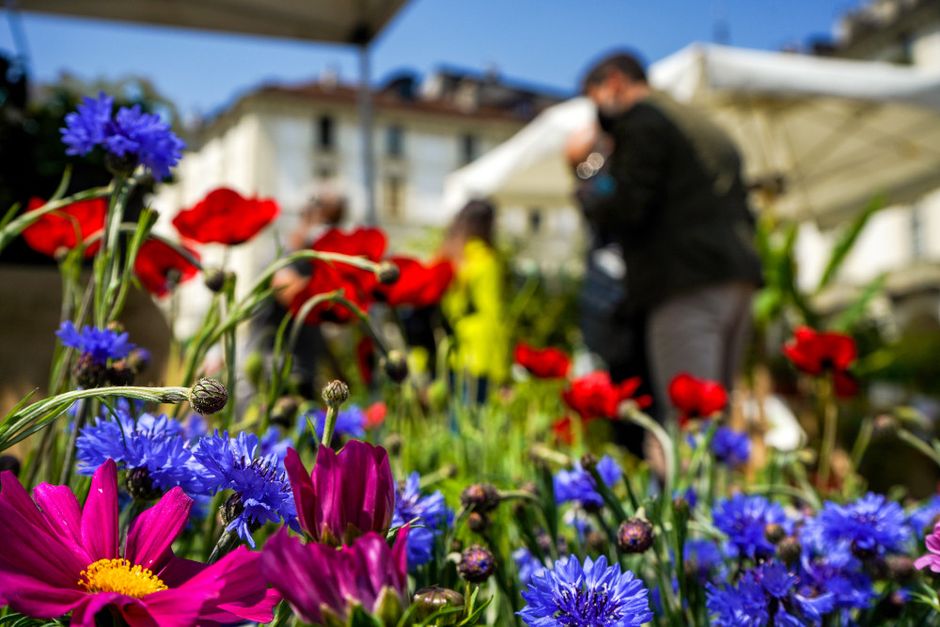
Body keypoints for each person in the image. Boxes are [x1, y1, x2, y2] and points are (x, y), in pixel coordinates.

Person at [579, 50, 763, 423]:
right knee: (715, 423)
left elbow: (627, 207)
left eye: (592, 99)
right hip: (736, 280)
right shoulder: (700, 122)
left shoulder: (643, 120)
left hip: (685, 282)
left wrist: (586, 180)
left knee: (687, 427)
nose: (595, 113)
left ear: (613, 82)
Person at [251, 193, 346, 399]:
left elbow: (316, 326)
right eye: (328, 221)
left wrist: (339, 373)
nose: (331, 230)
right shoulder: (280, 255)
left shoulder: (314, 266)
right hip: (268, 375)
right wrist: (343, 283)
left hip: (305, 376)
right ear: (307, 216)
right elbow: (291, 293)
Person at [440, 199, 509, 403]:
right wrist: (502, 370)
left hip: (453, 352)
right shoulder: (486, 261)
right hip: (481, 354)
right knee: (476, 425)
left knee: (454, 420)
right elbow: (493, 315)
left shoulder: (450, 255)